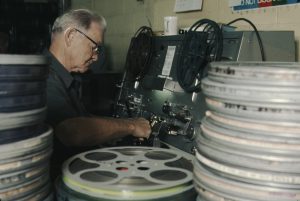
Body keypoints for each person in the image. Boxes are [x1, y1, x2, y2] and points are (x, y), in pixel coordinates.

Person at [46, 9, 151, 175]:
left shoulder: (62, 75)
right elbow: (71, 131)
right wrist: (131, 126)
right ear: (71, 36)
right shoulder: (45, 76)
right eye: (94, 47)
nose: (95, 57)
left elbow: (82, 118)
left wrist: (120, 127)